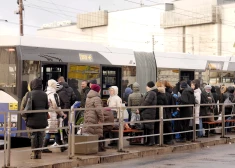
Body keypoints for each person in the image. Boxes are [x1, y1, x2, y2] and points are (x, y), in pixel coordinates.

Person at [21, 78, 48, 159]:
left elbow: (23, 107)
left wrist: (25, 118)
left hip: (32, 119)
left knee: (33, 136)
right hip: (42, 119)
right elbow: (47, 107)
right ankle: (39, 153)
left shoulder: (28, 94)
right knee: (41, 136)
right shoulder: (44, 94)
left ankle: (33, 152)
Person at [42, 79, 67, 153]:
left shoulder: (45, 93)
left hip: (46, 114)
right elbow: (56, 106)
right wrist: (62, 114)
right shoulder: (54, 95)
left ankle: (62, 146)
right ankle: (44, 147)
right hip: (53, 114)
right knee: (50, 131)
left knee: (55, 130)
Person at [83, 84, 105, 152]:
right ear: (98, 90)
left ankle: (89, 148)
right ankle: (97, 148)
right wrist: (102, 119)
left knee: (89, 132)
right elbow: (98, 109)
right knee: (97, 132)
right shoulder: (97, 98)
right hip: (94, 117)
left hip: (88, 116)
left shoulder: (88, 97)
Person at [139, 81, 157, 146]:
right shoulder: (150, 93)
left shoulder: (151, 93)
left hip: (149, 113)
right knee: (148, 128)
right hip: (147, 113)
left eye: (146, 86)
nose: (146, 87)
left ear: (149, 86)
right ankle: (149, 141)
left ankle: (151, 142)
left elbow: (146, 102)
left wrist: (139, 109)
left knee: (150, 128)